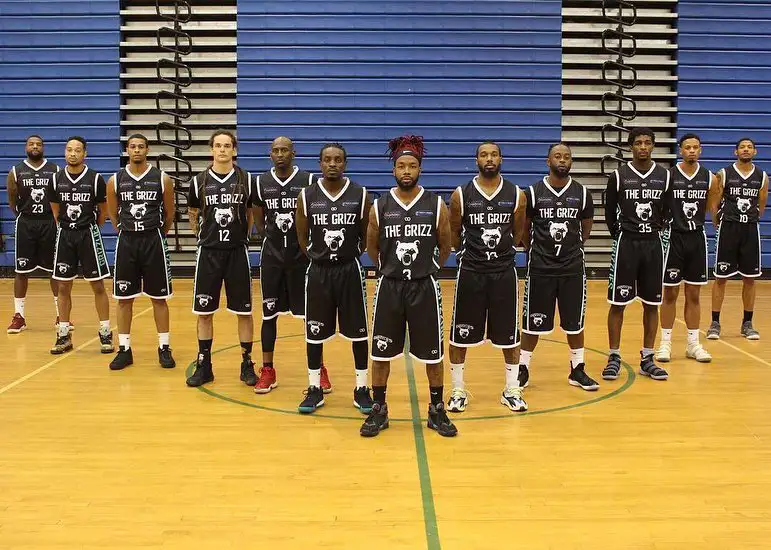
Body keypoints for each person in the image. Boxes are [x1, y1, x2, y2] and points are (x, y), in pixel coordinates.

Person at [360, 135, 457, 438]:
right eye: (401, 166)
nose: (406, 171)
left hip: (423, 287)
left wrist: (429, 269)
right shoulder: (380, 205)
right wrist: (387, 268)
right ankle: (379, 408)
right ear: (393, 170)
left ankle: (437, 409)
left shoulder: (435, 204)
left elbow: (446, 244)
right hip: (390, 286)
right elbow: (371, 246)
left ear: (419, 169)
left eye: (411, 166)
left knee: (433, 354)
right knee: (380, 352)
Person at [446, 141, 526, 413]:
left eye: (493, 154)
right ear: (476, 160)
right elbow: (454, 233)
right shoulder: (461, 194)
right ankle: (458, 390)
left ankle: (511, 389)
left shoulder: (516, 194)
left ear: (501, 159)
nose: (489, 159)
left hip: (503, 272)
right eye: (484, 155)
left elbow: (519, 233)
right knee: (460, 335)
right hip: (471, 272)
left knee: (510, 336)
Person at [294, 143, 374, 413]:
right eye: (327, 159)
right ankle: (314, 388)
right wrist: (319, 255)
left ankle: (362, 388)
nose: (332, 164)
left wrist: (348, 254)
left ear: (345, 163)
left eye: (338, 160)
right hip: (318, 272)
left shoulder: (360, 194)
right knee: (314, 333)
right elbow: (302, 237)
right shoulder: (306, 196)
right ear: (320, 163)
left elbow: (367, 235)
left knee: (359, 334)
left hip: (349, 271)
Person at [520, 143, 600, 397]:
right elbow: (524, 228)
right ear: (548, 161)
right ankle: (522, 367)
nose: (562, 160)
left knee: (574, 323)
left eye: (567, 157)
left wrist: (572, 247)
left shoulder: (582, 193)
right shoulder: (533, 193)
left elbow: (585, 228)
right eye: (558, 156)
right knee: (532, 323)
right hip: (540, 268)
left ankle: (577, 368)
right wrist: (534, 249)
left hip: (572, 268)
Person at [185, 130, 257, 387]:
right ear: (211, 150)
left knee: (244, 312)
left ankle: (247, 362)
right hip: (209, 253)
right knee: (204, 312)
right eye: (218, 145)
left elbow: (250, 212)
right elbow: (192, 212)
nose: (223, 150)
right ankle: (204, 364)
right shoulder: (199, 181)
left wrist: (244, 236)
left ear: (234, 150)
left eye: (227, 146)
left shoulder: (247, 179)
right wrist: (202, 237)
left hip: (237, 252)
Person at [603, 128, 671, 381]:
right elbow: (610, 212)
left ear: (653, 146)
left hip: (652, 243)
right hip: (626, 243)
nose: (643, 147)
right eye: (638, 143)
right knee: (618, 303)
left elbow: (667, 210)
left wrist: (656, 229)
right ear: (630, 146)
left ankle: (648, 357)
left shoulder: (664, 176)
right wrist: (620, 233)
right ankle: (614, 356)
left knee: (651, 303)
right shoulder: (619, 176)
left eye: (647, 143)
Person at [252, 137, 318, 394]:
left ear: (293, 153)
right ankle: (268, 369)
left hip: (302, 260)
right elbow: (258, 219)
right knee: (269, 315)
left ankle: (318, 369)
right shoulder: (260, 183)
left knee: (311, 317)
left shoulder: (309, 181)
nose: (280, 154)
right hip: (272, 260)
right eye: (276, 150)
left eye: (285, 150)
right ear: (270, 155)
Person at [106, 133, 176, 370]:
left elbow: (169, 214)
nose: (137, 150)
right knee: (124, 299)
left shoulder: (162, 178)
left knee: (159, 298)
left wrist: (157, 233)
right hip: (127, 241)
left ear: (147, 150)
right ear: (127, 149)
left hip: (153, 240)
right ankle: (124, 349)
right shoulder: (115, 180)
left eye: (141, 147)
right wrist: (124, 230)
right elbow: (113, 215)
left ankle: (164, 347)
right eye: (132, 146)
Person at [656, 134, 720, 362]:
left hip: (697, 239)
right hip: (673, 238)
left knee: (693, 294)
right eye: (687, 148)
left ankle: (693, 344)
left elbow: (712, 205)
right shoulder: (668, 176)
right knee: (670, 293)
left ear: (700, 151)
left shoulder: (710, 178)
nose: (691, 151)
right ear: (680, 151)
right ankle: (665, 343)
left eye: (695, 147)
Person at [47, 136, 113, 355]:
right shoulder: (56, 179)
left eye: (77, 150)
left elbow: (103, 212)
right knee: (63, 286)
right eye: (69, 149)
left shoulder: (95, 179)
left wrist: (91, 226)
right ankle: (64, 333)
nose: (72, 153)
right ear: (64, 152)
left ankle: (105, 331)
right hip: (65, 235)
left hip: (88, 235)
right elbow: (55, 211)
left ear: (85, 154)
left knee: (98, 285)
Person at [707, 137, 768, 341]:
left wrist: (750, 220)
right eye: (742, 147)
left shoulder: (761, 176)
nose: (746, 150)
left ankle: (747, 323)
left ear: (755, 152)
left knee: (750, 279)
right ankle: (715, 323)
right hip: (728, 229)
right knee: (721, 277)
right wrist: (718, 221)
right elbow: (714, 201)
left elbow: (761, 204)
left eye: (750, 147)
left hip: (750, 229)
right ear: (736, 152)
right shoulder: (724, 174)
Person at [6, 135, 67, 333]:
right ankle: (19, 316)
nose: (35, 147)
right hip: (26, 223)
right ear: (26, 147)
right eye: (31, 144)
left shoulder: (55, 170)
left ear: (43, 148)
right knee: (21, 270)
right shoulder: (16, 171)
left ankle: (61, 315)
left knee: (55, 270)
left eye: (38, 144)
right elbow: (12, 200)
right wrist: (24, 214)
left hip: (49, 222)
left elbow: (60, 197)